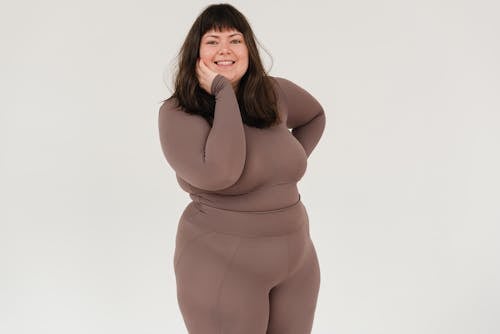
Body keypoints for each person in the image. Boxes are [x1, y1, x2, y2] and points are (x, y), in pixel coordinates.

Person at [158, 3, 326, 334]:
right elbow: (222, 173)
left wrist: (284, 168)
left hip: (297, 261)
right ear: (196, 51)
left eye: (235, 40)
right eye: (212, 41)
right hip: (222, 264)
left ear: (248, 48)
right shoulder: (179, 113)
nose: (225, 49)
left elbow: (315, 116)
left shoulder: (273, 93)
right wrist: (222, 92)